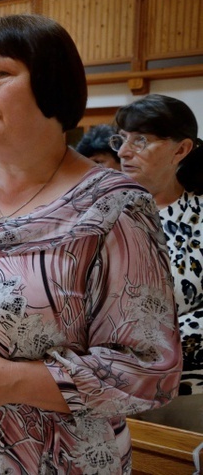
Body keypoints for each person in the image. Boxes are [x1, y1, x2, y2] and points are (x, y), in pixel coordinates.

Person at [0, 15, 181, 474]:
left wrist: (9, 382)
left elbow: (150, 370)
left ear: (52, 83)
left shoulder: (114, 206)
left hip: (53, 458)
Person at [113, 94, 203, 395]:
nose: (124, 152)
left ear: (181, 149)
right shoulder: (100, 214)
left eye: (140, 140)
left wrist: (141, 344)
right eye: (122, 139)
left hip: (185, 392)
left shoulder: (199, 217)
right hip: (100, 387)